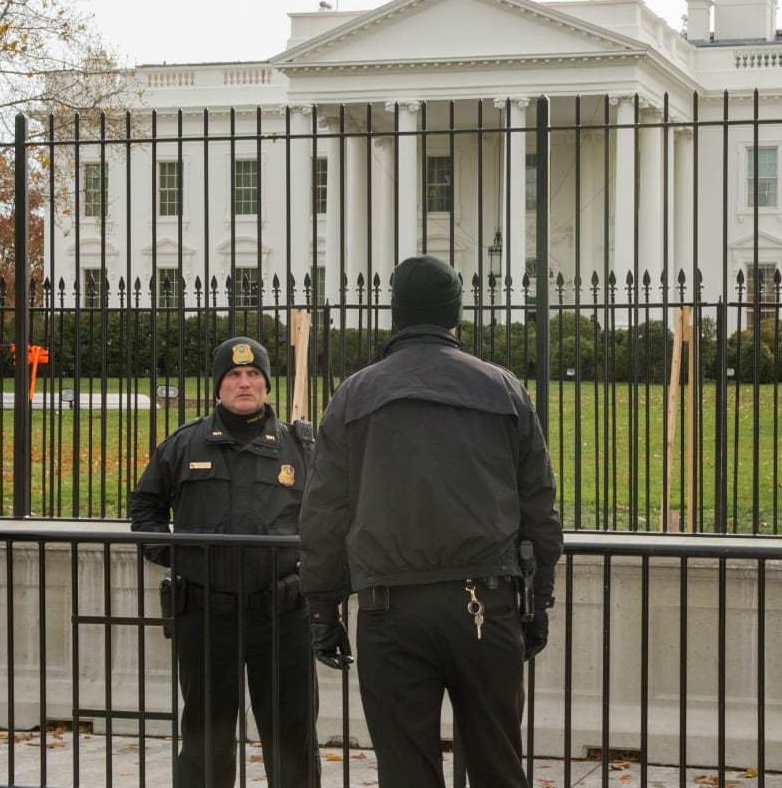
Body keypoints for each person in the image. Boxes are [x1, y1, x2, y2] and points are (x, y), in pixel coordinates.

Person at [299, 254, 564, 788]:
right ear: (454, 315)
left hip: (389, 607)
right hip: (485, 603)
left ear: (396, 313)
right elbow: (539, 508)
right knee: (497, 766)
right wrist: (540, 600)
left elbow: (325, 513)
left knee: (407, 771)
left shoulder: (354, 394)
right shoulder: (505, 390)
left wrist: (323, 608)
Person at [128, 336, 318, 788]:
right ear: (218, 386)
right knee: (204, 743)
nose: (244, 382)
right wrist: (181, 556)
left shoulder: (300, 449)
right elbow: (144, 511)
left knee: (291, 739)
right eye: (233, 375)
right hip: (206, 617)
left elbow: (329, 520)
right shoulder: (184, 444)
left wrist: (311, 571)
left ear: (267, 385)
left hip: (283, 618)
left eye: (254, 374)